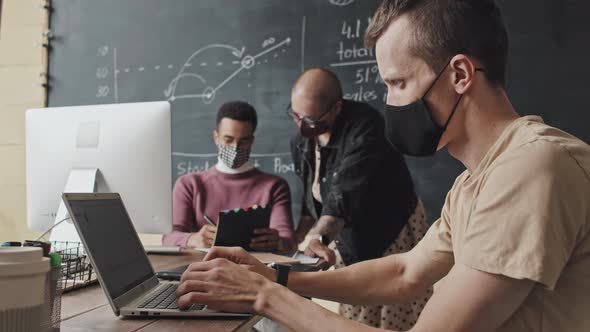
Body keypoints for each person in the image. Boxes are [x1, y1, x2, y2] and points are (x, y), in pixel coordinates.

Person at [175, 1, 590, 331]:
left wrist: (262, 296)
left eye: (398, 83)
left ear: (460, 74)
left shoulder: (531, 167)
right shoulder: (475, 181)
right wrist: (278, 277)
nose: (389, 102)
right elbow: (405, 271)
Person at [288, 68, 430, 328]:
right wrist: (298, 238)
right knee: (356, 311)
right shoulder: (301, 140)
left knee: (396, 312)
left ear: (335, 108)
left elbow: (344, 192)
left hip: (390, 229)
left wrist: (319, 238)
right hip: (344, 235)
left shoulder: (365, 127)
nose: (300, 125)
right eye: (295, 115)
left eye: (308, 119)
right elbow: (311, 197)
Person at [162, 101, 296, 252]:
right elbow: (168, 238)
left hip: (254, 270)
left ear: (252, 141)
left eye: (243, 141)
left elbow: (289, 240)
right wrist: (192, 239)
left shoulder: (274, 186)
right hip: (204, 269)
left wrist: (277, 242)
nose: (235, 148)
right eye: (228, 140)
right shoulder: (189, 184)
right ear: (216, 137)